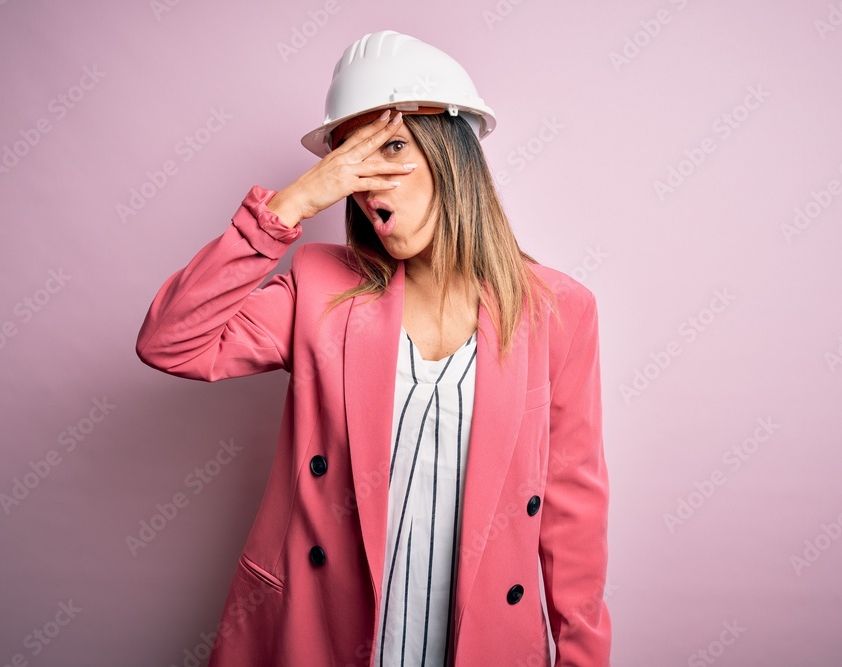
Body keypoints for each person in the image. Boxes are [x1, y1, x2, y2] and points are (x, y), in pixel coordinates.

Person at [135, 29, 611, 667]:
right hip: (320, 636)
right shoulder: (322, 288)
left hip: (481, 645)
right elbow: (172, 342)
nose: (367, 181)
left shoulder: (559, 310)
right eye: (351, 160)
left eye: (391, 148)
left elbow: (572, 510)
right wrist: (293, 202)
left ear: (453, 156)